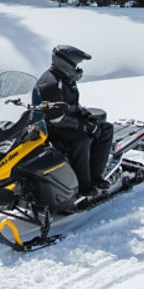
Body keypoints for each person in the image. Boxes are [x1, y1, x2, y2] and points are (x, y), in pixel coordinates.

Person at [35, 45, 113, 200]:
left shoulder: (64, 78)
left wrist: (85, 115)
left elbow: (71, 105)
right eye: (75, 65)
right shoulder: (51, 84)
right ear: (65, 63)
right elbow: (55, 118)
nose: (78, 69)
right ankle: (84, 185)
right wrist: (82, 125)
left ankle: (96, 175)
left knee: (105, 128)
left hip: (63, 121)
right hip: (51, 127)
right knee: (81, 139)